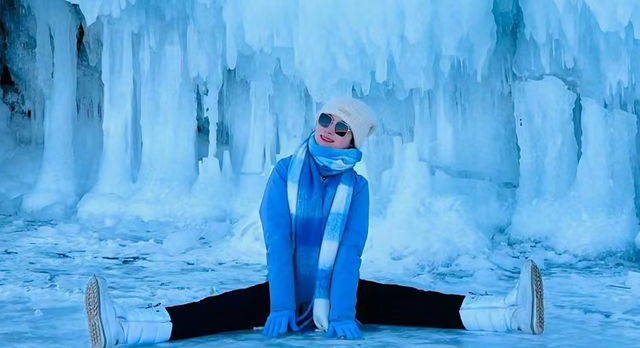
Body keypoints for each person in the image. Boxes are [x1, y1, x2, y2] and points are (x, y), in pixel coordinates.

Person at [85, 97, 544, 347]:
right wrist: (283, 307)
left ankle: (512, 314)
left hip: (337, 292)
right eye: (325, 118)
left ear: (353, 141)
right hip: (284, 290)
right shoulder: (285, 172)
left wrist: (342, 312)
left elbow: (348, 253)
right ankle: (122, 328)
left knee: (417, 304)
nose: (327, 128)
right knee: (212, 312)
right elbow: (277, 245)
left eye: (340, 127)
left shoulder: (357, 189)